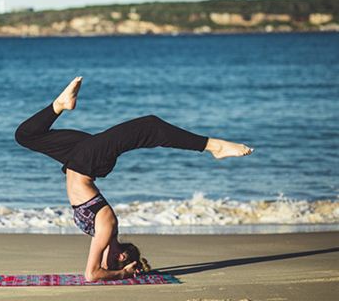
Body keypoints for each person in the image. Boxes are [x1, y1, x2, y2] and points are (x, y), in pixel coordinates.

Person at [15, 77, 253, 282]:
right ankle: (214, 146)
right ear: (121, 256)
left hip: (77, 159)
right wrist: (124, 273)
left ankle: (60, 105)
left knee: (26, 135)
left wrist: (123, 273)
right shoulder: (107, 226)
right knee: (149, 125)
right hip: (87, 162)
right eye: (111, 264)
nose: (102, 263)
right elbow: (94, 273)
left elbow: (91, 274)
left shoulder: (101, 233)